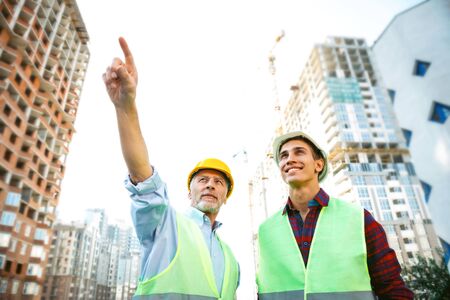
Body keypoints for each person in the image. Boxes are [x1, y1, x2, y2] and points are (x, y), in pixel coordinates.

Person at [102, 37, 239, 299]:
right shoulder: (165, 225)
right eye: (203, 180)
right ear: (189, 193)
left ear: (225, 197)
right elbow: (143, 178)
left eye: (219, 182)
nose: (211, 184)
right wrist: (125, 107)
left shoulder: (232, 260)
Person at [256, 131, 413, 299]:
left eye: (299, 152)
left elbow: (392, 289)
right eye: (284, 156)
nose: (289, 159)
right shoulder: (265, 231)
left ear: (319, 165)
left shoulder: (358, 218)